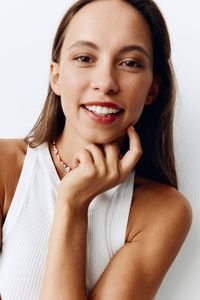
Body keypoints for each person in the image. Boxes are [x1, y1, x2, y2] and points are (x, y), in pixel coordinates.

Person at [0, 0, 193, 299]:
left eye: (130, 62)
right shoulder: (5, 168)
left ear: (153, 88)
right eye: (85, 58)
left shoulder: (164, 212)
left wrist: (73, 205)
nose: (105, 83)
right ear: (57, 77)